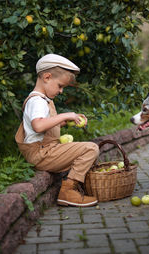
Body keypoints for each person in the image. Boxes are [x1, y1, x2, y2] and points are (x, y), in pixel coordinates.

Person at [15, 53, 99, 207]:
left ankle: (74, 188)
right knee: (90, 148)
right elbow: (38, 126)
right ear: (47, 77)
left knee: (84, 151)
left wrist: (65, 121)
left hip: (45, 151)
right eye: (60, 86)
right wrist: (64, 115)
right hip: (41, 153)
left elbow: (44, 128)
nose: (61, 91)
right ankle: (68, 192)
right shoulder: (37, 101)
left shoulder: (43, 100)